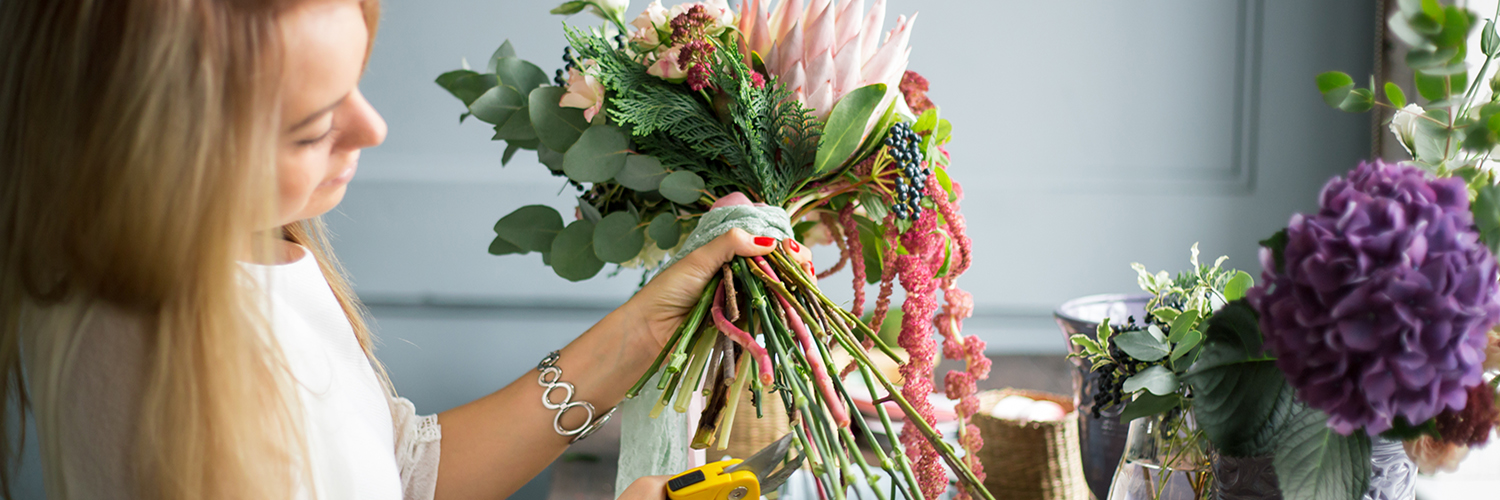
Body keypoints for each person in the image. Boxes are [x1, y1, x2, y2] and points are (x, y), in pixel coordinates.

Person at [0, 0, 813, 499]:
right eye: (312, 126)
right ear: (160, 148)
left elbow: (397, 475)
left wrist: (642, 333)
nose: (373, 128)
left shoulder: (249, 246)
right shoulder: (160, 359)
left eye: (353, 84)